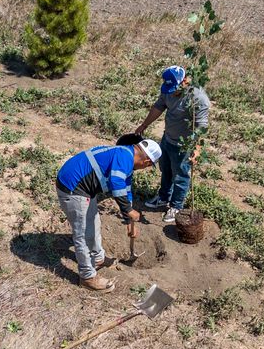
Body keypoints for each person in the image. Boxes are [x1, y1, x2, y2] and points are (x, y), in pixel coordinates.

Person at [56, 139, 162, 292]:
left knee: (94, 224)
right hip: (73, 187)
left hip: (85, 189)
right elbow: (116, 183)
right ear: (146, 161)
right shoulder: (125, 157)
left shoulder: (127, 157)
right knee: (84, 234)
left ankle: (98, 258)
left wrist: (128, 220)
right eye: (149, 166)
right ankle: (87, 277)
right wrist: (128, 210)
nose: (146, 168)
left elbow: (126, 190)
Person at [134, 65, 210, 223]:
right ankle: (163, 197)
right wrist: (144, 125)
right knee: (166, 169)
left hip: (184, 145)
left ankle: (176, 205)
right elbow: (158, 107)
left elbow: (201, 128)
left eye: (174, 88)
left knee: (181, 175)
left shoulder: (198, 99)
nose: (171, 92)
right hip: (168, 138)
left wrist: (196, 150)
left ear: (185, 81)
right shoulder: (168, 90)